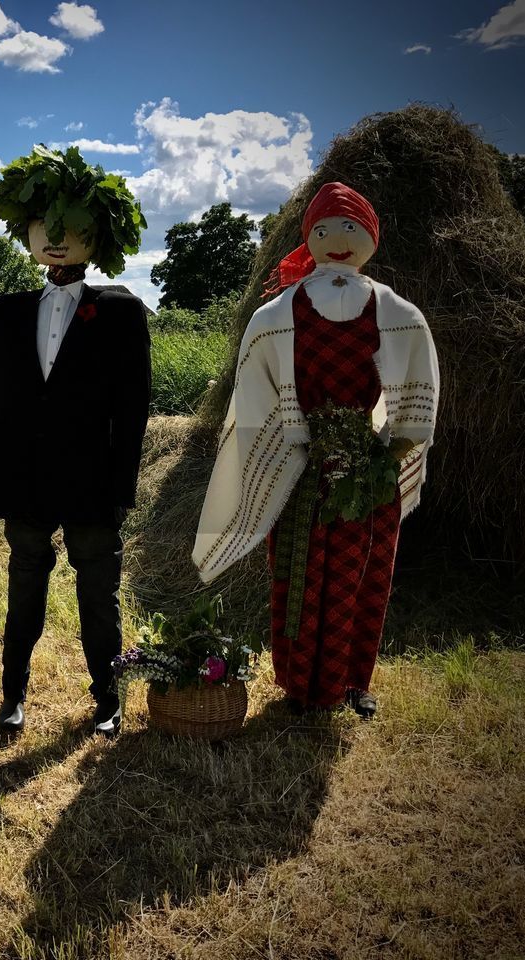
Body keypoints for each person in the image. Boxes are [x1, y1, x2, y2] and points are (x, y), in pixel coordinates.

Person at [193, 182, 440, 717]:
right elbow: (255, 386)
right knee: (296, 574)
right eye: (323, 229)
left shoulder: (397, 312)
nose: (337, 240)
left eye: (350, 229)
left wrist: (392, 449)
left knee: (362, 574)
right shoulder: (278, 314)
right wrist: (288, 441)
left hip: (369, 474)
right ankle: (299, 683)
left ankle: (352, 680)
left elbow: (420, 388)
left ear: (371, 237)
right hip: (299, 469)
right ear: (310, 238)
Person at [0, 146, 151, 737]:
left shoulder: (122, 312)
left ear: (96, 239)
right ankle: (12, 696)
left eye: (71, 229)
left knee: (97, 590)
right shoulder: (5, 312)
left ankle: (107, 698)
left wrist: (121, 481)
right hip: (24, 475)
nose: (56, 239)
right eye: (44, 227)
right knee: (24, 580)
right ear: (24, 231)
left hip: (90, 477)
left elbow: (133, 407)